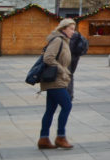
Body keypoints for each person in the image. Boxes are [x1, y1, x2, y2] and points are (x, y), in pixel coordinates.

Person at [37, 18, 75, 150]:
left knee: (50, 110)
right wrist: (62, 70)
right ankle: (60, 137)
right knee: (67, 105)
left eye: (73, 29)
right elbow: (48, 58)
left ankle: (44, 139)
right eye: (71, 29)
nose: (73, 32)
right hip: (55, 80)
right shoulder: (58, 40)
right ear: (64, 29)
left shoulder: (64, 41)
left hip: (57, 80)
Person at [68, 29, 89, 100]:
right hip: (75, 57)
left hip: (68, 57)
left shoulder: (68, 35)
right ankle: (70, 95)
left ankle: (68, 95)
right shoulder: (78, 35)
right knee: (70, 75)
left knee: (67, 75)